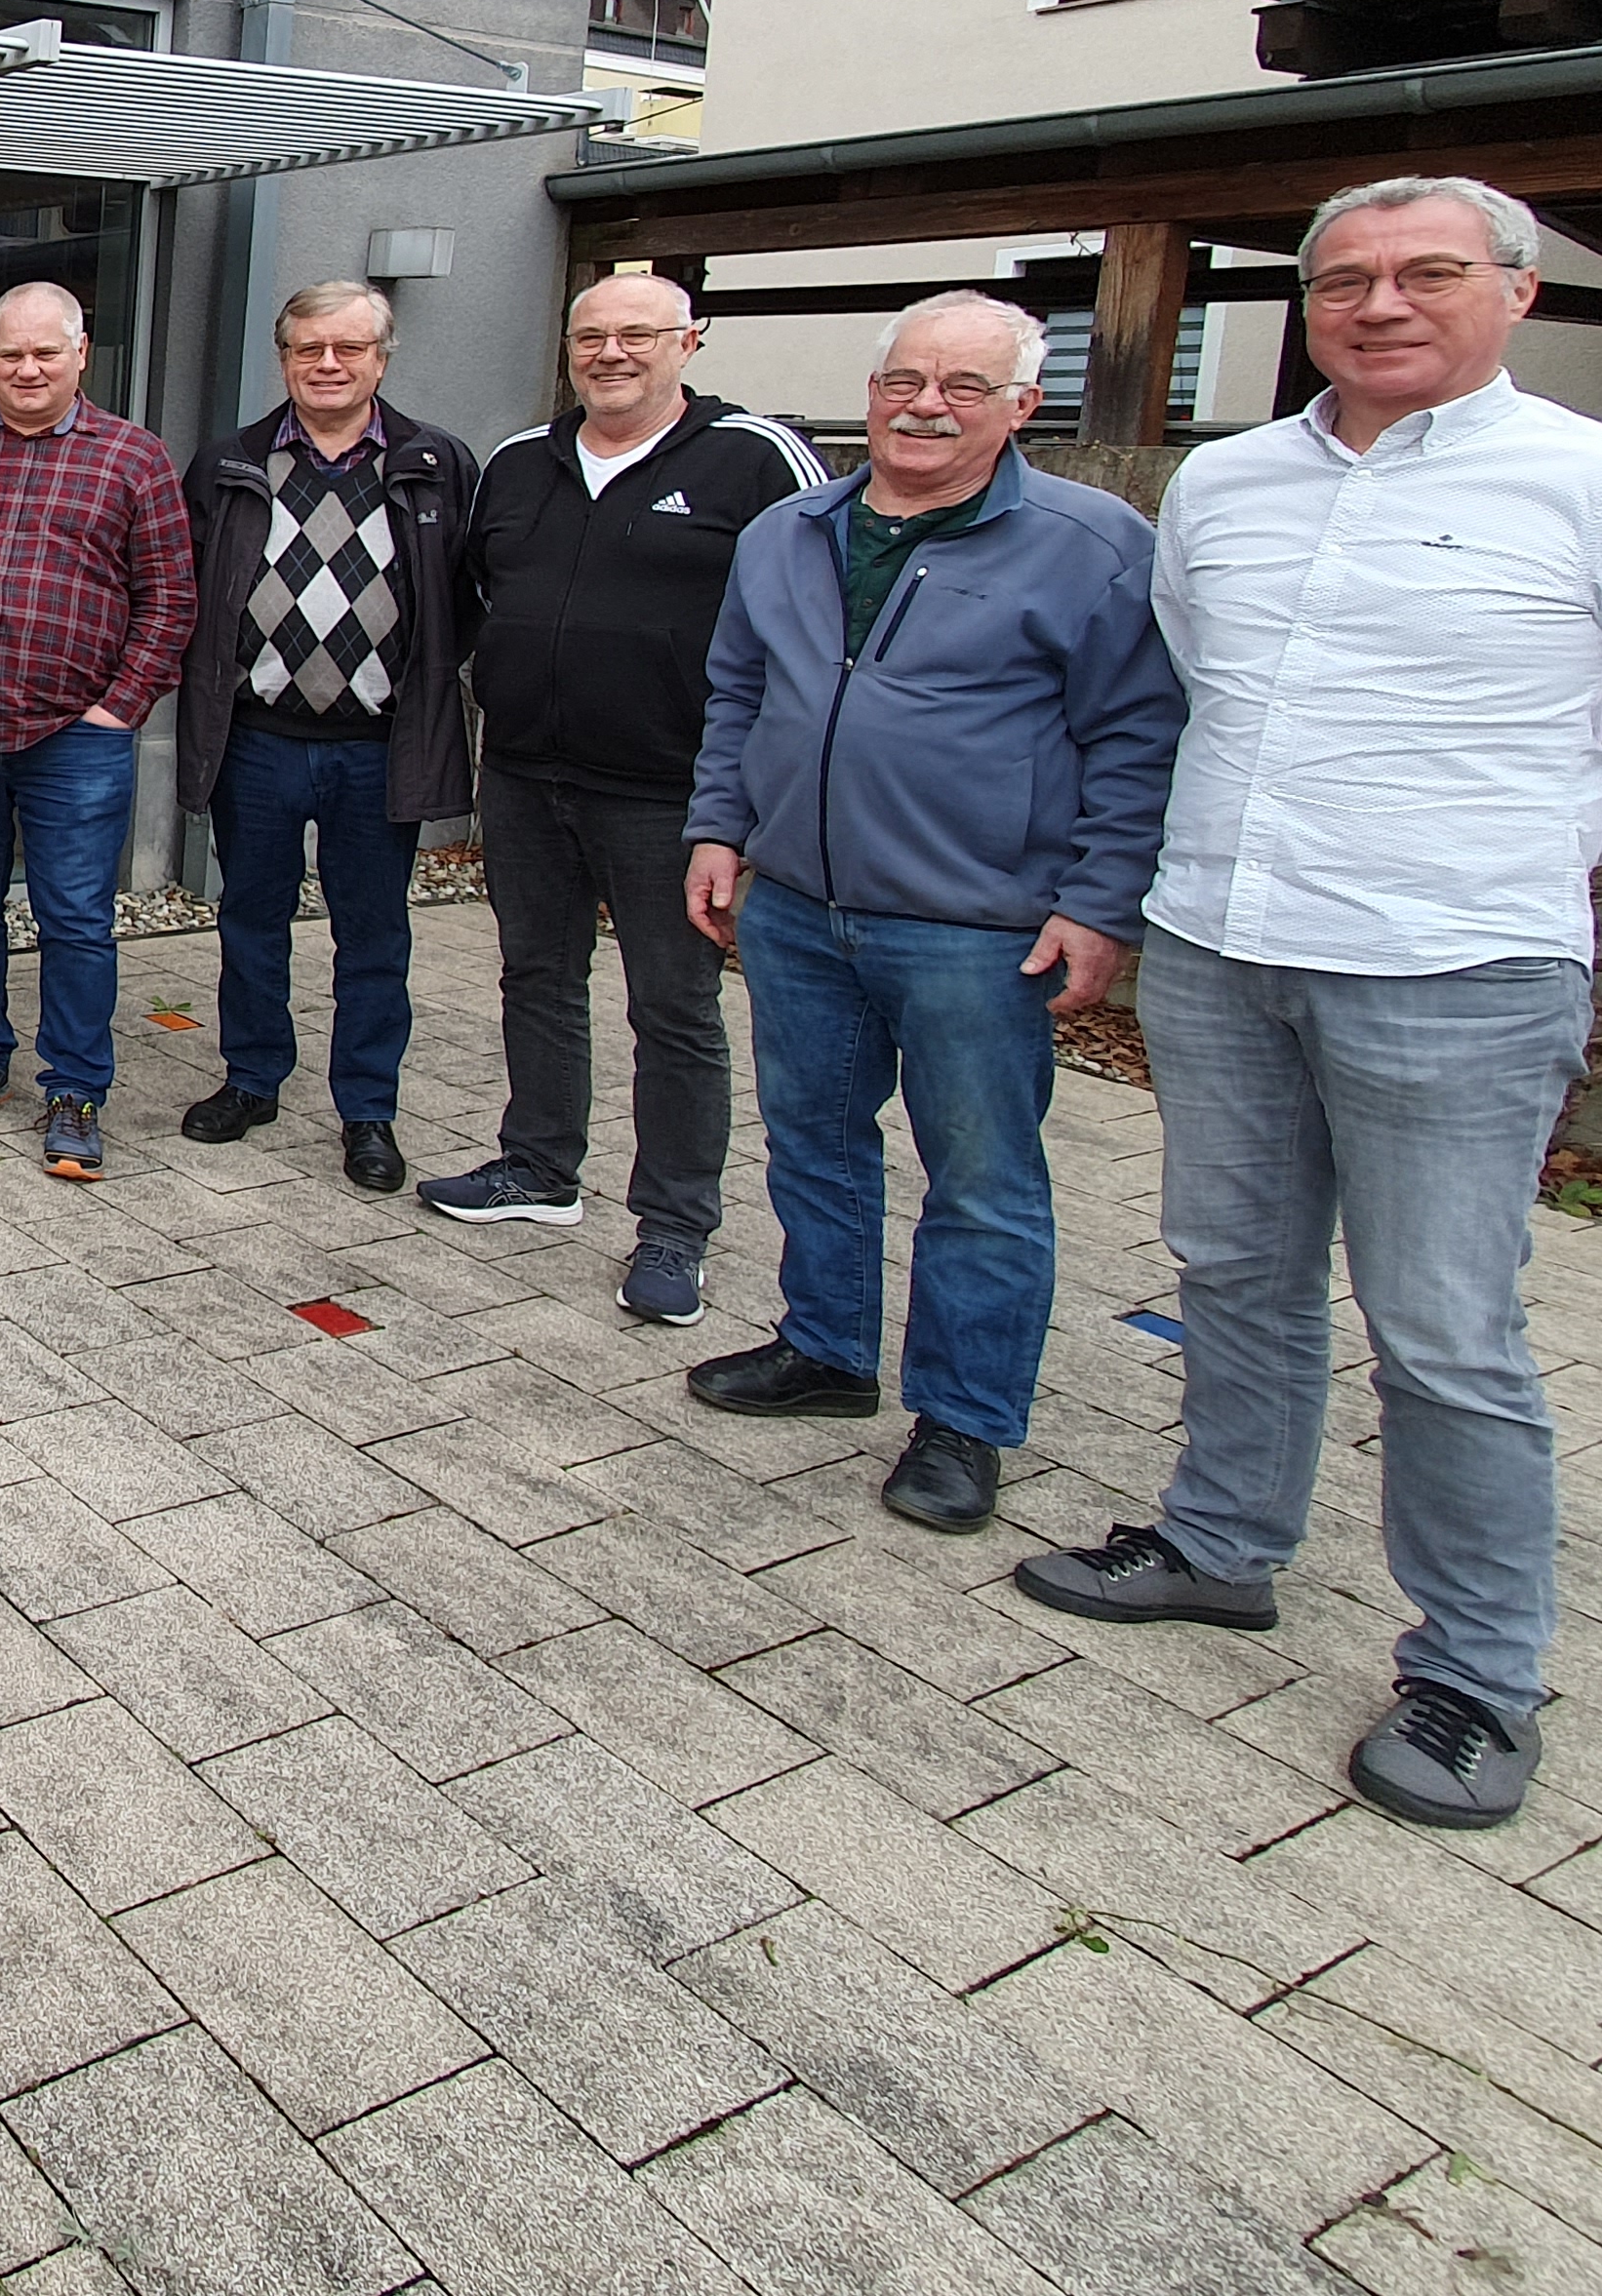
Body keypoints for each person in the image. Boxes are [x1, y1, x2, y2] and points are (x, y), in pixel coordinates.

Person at [1013, 180, 1602, 1832]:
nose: (1375, 303)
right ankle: (1217, 1542)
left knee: (1439, 1328)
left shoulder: (1576, 480)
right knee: (1233, 1272)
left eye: (1423, 273)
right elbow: (1190, 684)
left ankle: (1477, 1670)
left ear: (1515, 288)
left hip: (1452, 966)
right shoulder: (1229, 479)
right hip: (1221, 939)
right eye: (1340, 278)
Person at [681, 291, 1183, 1535]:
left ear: (1024, 407)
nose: (925, 405)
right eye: (906, 379)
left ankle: (963, 1421)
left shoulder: (1091, 543)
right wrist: (717, 827)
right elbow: (739, 692)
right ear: (871, 392)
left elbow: (1135, 736)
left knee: (981, 1181)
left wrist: (1100, 902)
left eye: (964, 387)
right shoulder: (792, 531)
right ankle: (829, 1351)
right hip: (798, 900)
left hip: (979, 924)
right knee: (815, 1140)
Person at [428, 275, 826, 1324]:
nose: (612, 353)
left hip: (674, 793)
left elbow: (812, 627)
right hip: (522, 771)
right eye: (592, 335)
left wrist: (745, 811)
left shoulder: (755, 459)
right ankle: (538, 1167)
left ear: (688, 343)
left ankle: (675, 1227)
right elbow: (481, 595)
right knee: (536, 976)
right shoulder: (520, 461)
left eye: (637, 335)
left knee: (675, 1008)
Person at [174, 282, 481, 1191]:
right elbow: (194, 587)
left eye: (349, 349)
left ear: (382, 359)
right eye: (309, 349)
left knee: (375, 934)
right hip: (259, 739)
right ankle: (253, 1079)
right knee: (251, 921)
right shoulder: (230, 462)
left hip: (379, 744)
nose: (328, 365)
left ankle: (368, 1110)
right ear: (285, 359)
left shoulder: (435, 462)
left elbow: (466, 598)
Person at [0, 280, 192, 1183]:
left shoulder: (134, 458)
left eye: (45, 353)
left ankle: (75, 1088)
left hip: (76, 733)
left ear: (80, 354)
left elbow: (171, 598)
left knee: (74, 918)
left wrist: (118, 709)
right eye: (9, 354)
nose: (27, 369)